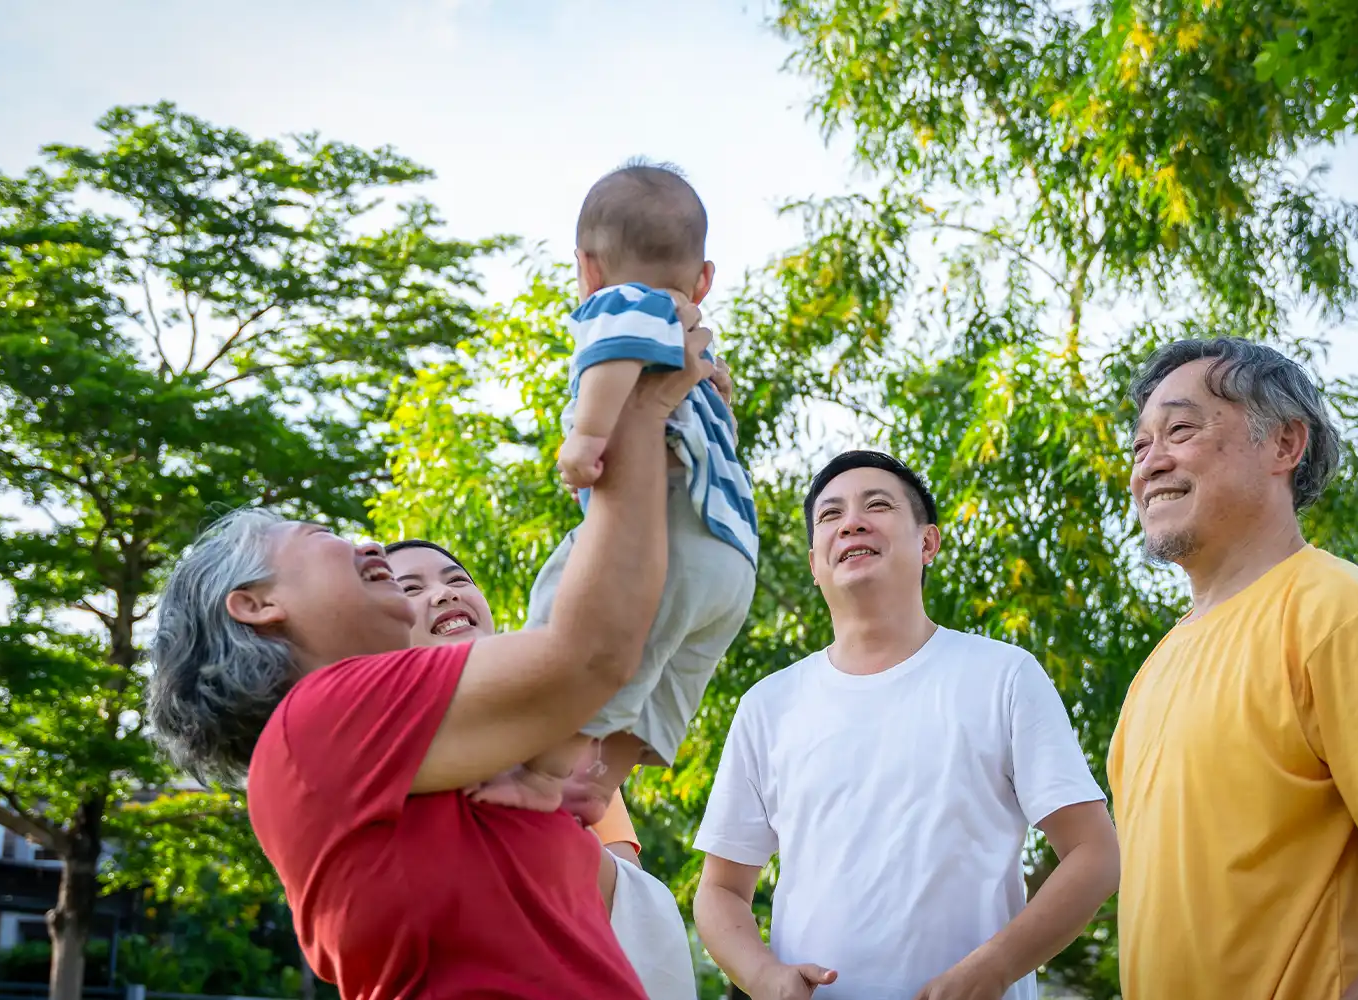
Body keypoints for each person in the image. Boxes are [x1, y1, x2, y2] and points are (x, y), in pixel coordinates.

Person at [143, 320, 714, 998]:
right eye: (320, 533)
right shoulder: (318, 719)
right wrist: (642, 411)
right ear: (256, 605)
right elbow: (593, 655)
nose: (371, 549)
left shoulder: (469, 768)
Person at [1109, 337, 1358, 1000]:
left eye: (1180, 429)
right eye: (1139, 445)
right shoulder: (1155, 669)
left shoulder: (1337, 612)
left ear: (1284, 446)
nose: (1150, 463)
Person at [693, 450, 1120, 1000]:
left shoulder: (1003, 676)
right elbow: (722, 889)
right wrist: (764, 978)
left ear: (928, 544)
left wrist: (990, 970)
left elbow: (1094, 854)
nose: (852, 522)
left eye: (878, 505)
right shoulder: (767, 705)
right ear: (814, 562)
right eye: (830, 515)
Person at [473, 159, 757, 823]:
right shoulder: (701, 348)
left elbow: (614, 353)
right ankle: (603, 783)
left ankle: (544, 773)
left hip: (672, 534)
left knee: (572, 611)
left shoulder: (628, 305)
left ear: (588, 267)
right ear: (705, 277)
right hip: (732, 557)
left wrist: (587, 438)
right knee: (666, 678)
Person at [386, 537, 698, 1000]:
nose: (445, 593)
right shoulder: (380, 751)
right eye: (411, 589)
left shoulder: (564, 733)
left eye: (457, 580)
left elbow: (628, 890)